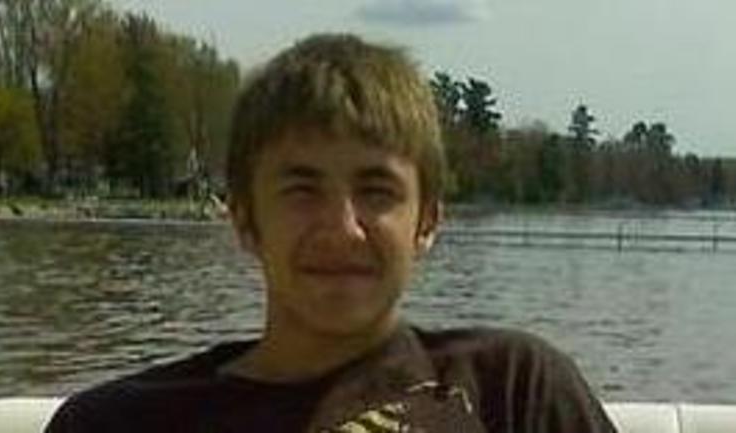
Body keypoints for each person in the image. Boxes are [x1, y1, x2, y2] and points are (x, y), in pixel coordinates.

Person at [45, 33, 617, 433]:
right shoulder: (116, 423)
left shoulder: (514, 390)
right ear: (244, 218)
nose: (342, 228)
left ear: (427, 222)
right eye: (302, 190)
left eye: (376, 191)